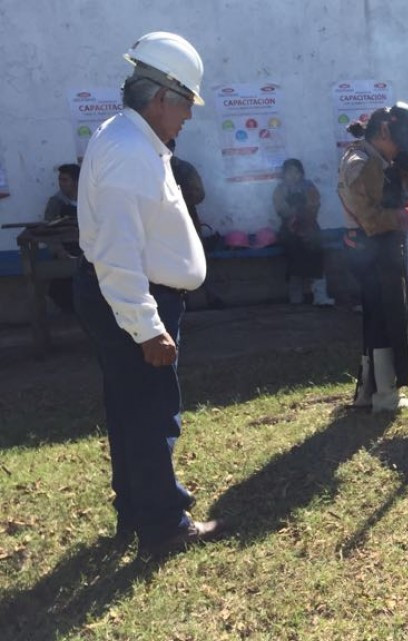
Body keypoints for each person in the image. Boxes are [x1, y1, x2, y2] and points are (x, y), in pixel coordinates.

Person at [73, 31, 224, 555]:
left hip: (132, 297)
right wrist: (148, 325)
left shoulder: (129, 139)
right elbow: (117, 252)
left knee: (131, 409)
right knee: (152, 413)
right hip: (136, 300)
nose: (188, 118)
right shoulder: (129, 152)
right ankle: (163, 525)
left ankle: (137, 512)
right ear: (163, 98)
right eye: (186, 107)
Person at [337, 103, 408, 413]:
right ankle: (385, 398)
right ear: (385, 133)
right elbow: (371, 220)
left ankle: (369, 393)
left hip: (374, 251)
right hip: (371, 250)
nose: (400, 152)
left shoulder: (372, 158)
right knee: (382, 320)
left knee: (378, 318)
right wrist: (405, 217)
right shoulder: (361, 163)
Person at [167, 138, 225, 309]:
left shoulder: (183, 168)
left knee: (199, 261)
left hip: (187, 223)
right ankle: (181, 302)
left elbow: (199, 194)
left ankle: (212, 297)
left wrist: (176, 198)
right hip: (161, 226)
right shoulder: (148, 168)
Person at [273, 158, 333, 306]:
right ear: (284, 174)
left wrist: (304, 213)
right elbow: (281, 209)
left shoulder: (309, 187)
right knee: (294, 256)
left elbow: (314, 205)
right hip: (289, 229)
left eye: (297, 172)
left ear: (302, 173)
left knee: (317, 252)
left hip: (309, 226)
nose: (294, 176)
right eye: (290, 172)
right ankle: (296, 299)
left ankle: (320, 296)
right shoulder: (280, 190)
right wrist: (294, 213)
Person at [43, 163, 82, 312]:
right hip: (65, 253)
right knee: (61, 290)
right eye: (60, 179)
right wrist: (60, 252)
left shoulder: (90, 200)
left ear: (76, 182)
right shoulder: (56, 202)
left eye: (65, 180)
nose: (61, 183)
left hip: (89, 251)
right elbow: (48, 231)